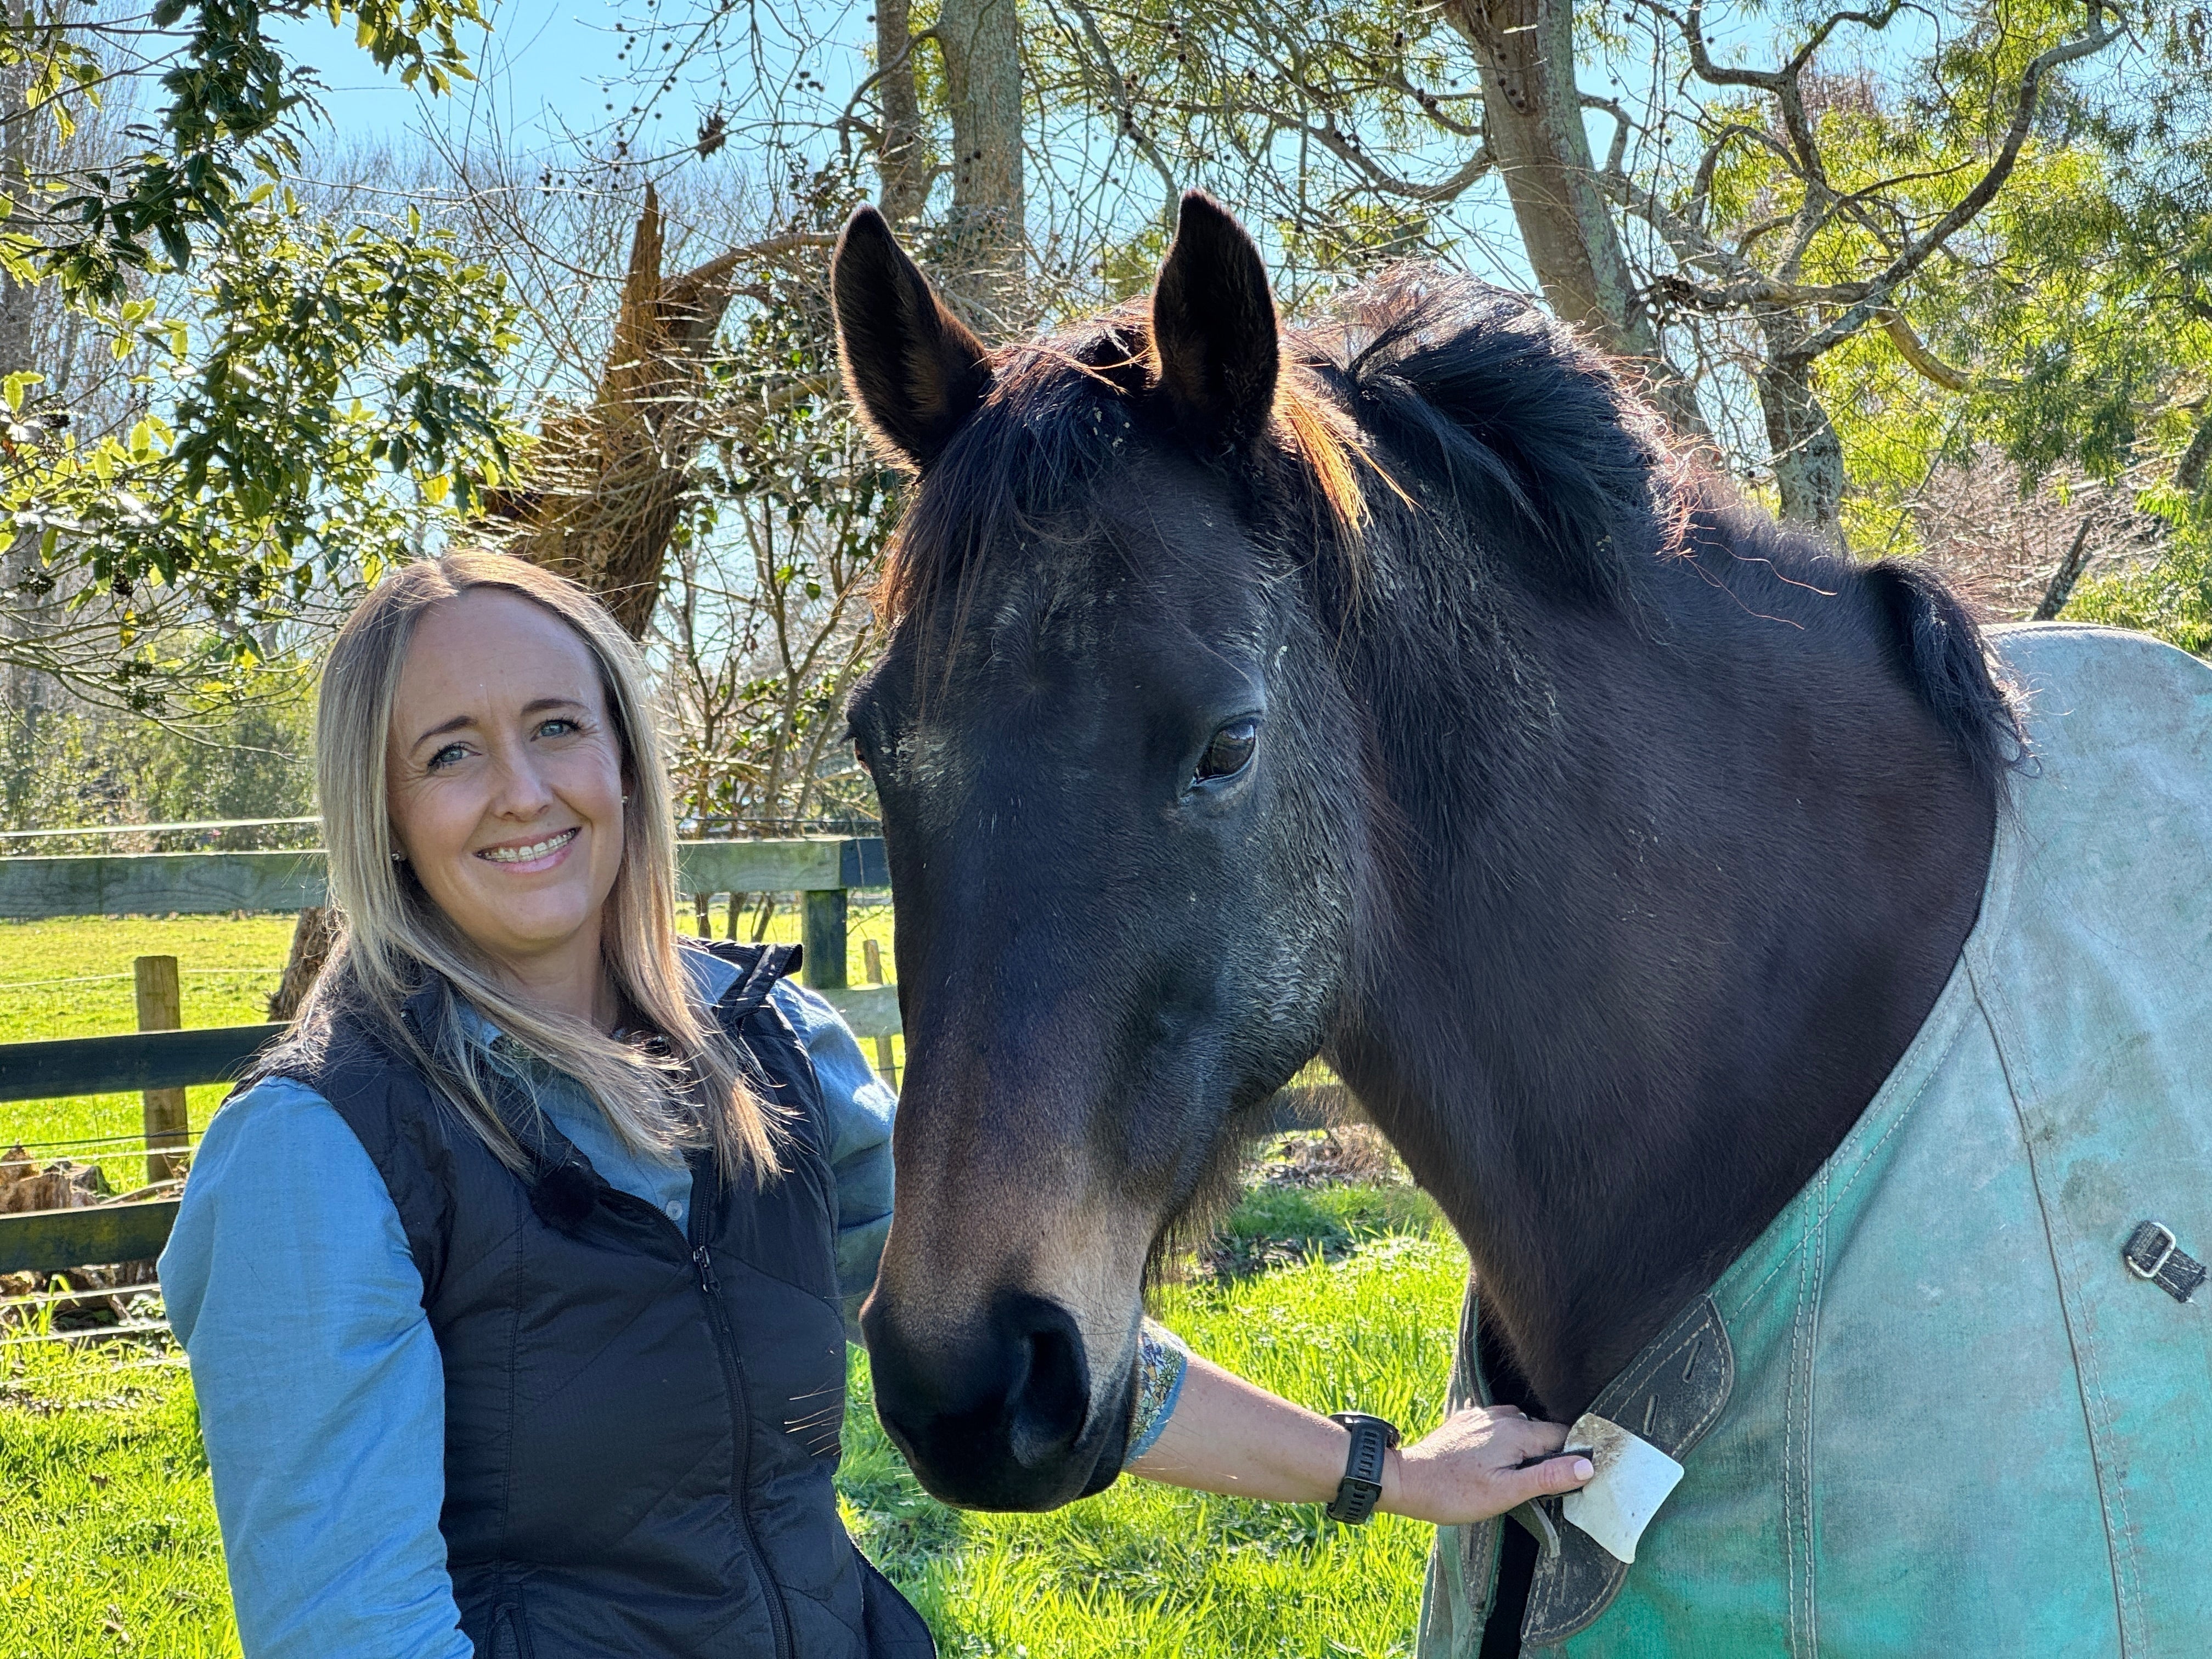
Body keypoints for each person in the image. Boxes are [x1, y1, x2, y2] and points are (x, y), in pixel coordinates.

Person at [160, 553, 1592, 1659]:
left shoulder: (771, 1050)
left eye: (556, 726)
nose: (524, 791)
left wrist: (1388, 1472)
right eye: (451, 752)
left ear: (624, 758)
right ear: (384, 811)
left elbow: (1046, 1349)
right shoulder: (318, 1154)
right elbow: (354, 1631)